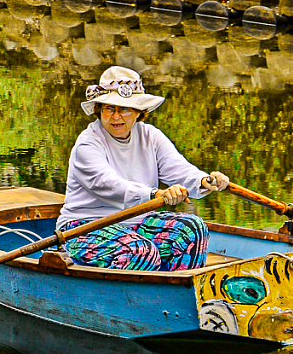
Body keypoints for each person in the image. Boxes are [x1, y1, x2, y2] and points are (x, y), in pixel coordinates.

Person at [56, 65, 229, 271]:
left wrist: (205, 181)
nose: (116, 116)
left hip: (136, 223)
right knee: (141, 251)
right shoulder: (88, 143)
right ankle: (136, 300)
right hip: (84, 227)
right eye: (109, 108)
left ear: (139, 112)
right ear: (99, 110)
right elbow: (109, 184)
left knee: (193, 229)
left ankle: (178, 294)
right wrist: (156, 194)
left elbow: (179, 169)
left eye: (125, 109)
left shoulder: (150, 136)